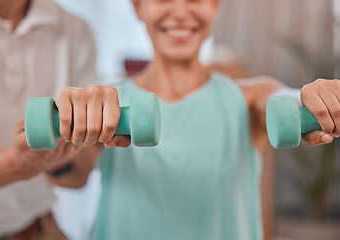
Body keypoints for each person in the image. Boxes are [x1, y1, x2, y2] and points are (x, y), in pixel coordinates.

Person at [53, 0, 340, 239]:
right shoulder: (110, 107)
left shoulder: (250, 98)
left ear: (215, 5)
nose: (180, 11)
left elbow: (283, 100)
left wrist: (313, 99)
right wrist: (65, 141)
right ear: (138, 7)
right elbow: (73, 176)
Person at [0, 0, 99, 239]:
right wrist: (18, 164)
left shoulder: (75, 30)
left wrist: (57, 160)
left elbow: (78, 178)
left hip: (37, 226)